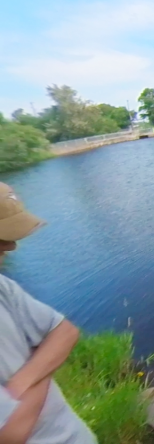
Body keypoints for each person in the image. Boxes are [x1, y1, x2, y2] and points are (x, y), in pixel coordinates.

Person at [0, 182, 97, 444]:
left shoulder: (3, 287)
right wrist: (43, 359)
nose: (10, 247)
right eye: (1, 238)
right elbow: (11, 433)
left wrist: (26, 378)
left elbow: (66, 332)